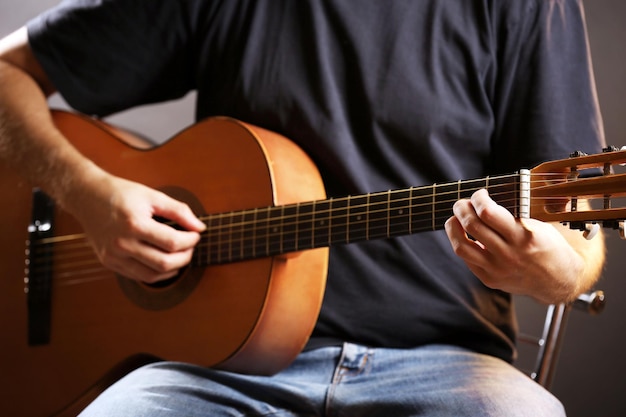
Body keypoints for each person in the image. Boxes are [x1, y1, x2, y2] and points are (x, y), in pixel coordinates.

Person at [0, 0, 607, 416]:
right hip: (211, 369)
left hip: (446, 367)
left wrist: (552, 273)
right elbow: (8, 75)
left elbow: (581, 245)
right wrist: (89, 195)